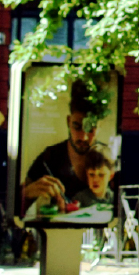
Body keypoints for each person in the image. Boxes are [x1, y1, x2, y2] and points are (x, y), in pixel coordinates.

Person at [19, 81, 107, 214]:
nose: (83, 137)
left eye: (90, 129)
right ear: (68, 121)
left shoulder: (108, 156)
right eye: (77, 127)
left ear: (99, 126)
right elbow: (16, 207)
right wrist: (27, 193)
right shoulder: (50, 157)